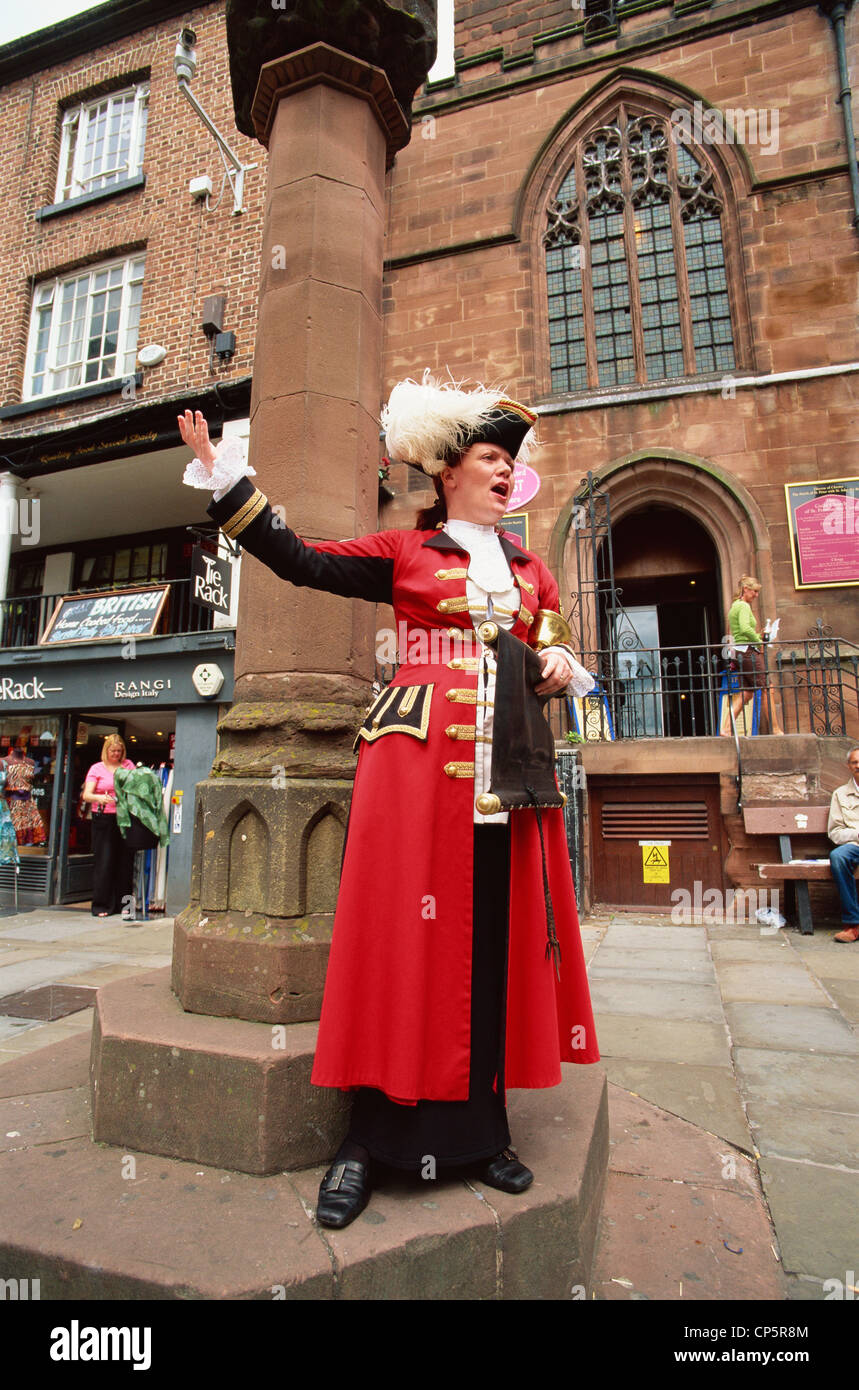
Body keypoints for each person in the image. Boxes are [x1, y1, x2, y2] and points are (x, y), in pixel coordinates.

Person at [178, 375, 600, 1229]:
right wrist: (228, 480)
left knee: (490, 957)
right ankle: (366, 1145)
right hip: (413, 786)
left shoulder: (531, 571)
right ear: (448, 470)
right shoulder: (407, 556)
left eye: (507, 464)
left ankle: (481, 1136)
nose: (502, 474)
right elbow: (301, 560)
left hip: (507, 788)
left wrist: (559, 669)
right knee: (398, 954)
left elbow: (555, 653)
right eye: (488, 458)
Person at [82, 735, 136, 918]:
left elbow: (136, 787)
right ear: (106, 750)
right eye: (113, 751)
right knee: (104, 861)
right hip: (103, 817)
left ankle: (126, 906)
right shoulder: (96, 768)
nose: (116, 754)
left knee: (125, 863)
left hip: (124, 817)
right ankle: (101, 905)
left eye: (119, 751)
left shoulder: (128, 765)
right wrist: (100, 797)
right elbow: (86, 795)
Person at [724, 575, 783, 735]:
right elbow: (744, 629)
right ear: (746, 589)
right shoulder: (743, 606)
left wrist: (757, 635)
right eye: (755, 591)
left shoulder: (735, 605)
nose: (756, 595)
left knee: (747, 692)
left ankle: (726, 728)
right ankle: (776, 729)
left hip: (739, 651)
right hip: (748, 652)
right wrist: (759, 639)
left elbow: (739, 631)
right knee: (766, 688)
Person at [827, 745, 859, 943]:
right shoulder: (840, 794)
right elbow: (835, 832)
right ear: (848, 766)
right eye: (855, 762)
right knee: (837, 857)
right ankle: (853, 924)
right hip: (855, 844)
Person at [3, 745, 47, 846]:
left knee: (28, 822)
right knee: (15, 821)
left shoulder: (29, 763)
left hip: (25, 798)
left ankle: (25, 844)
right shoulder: (4, 762)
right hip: (11, 797)